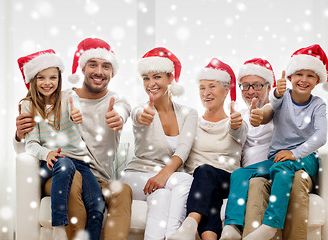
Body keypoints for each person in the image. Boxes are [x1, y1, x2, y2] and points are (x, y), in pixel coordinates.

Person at [14, 38, 132, 240]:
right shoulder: (61, 98)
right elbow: (29, 146)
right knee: (73, 176)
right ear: (82, 68)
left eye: (106, 66)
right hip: (61, 174)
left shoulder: (117, 102)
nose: (99, 71)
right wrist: (19, 134)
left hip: (98, 178)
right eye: (92, 64)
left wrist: (118, 117)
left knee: (122, 190)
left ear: (112, 73)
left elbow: (123, 111)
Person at [222, 44, 328, 240]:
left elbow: (320, 136)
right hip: (278, 159)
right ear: (289, 77)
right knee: (240, 174)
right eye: (299, 74)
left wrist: (295, 153)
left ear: (317, 81)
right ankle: (232, 226)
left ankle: (271, 225)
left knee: (283, 166)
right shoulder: (281, 97)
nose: (303, 80)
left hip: (305, 158)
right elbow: (268, 110)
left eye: (310, 76)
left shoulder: (318, 105)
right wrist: (257, 117)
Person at [17, 49, 105, 240]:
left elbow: (76, 108)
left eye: (53, 77)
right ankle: (59, 228)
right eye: (41, 78)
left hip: (80, 162)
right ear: (33, 80)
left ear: (59, 78)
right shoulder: (28, 105)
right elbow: (30, 143)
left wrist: (77, 114)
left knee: (97, 206)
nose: (48, 83)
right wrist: (47, 153)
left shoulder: (68, 98)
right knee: (64, 164)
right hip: (53, 161)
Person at [120, 47, 198, 240]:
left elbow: (183, 150)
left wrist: (162, 176)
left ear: (170, 78)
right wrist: (141, 116)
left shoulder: (189, 113)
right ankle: (174, 235)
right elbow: (138, 116)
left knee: (162, 196)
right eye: (146, 78)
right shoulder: (141, 109)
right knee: (185, 179)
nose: (151, 83)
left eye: (157, 77)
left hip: (163, 181)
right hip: (137, 177)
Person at [167, 58, 248, 240]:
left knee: (204, 172)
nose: (206, 93)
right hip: (199, 184)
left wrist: (235, 124)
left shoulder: (236, 122)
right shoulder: (192, 121)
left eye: (212, 86)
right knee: (208, 190)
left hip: (227, 180)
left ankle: (190, 223)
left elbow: (238, 132)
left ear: (226, 90)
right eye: (202, 88)